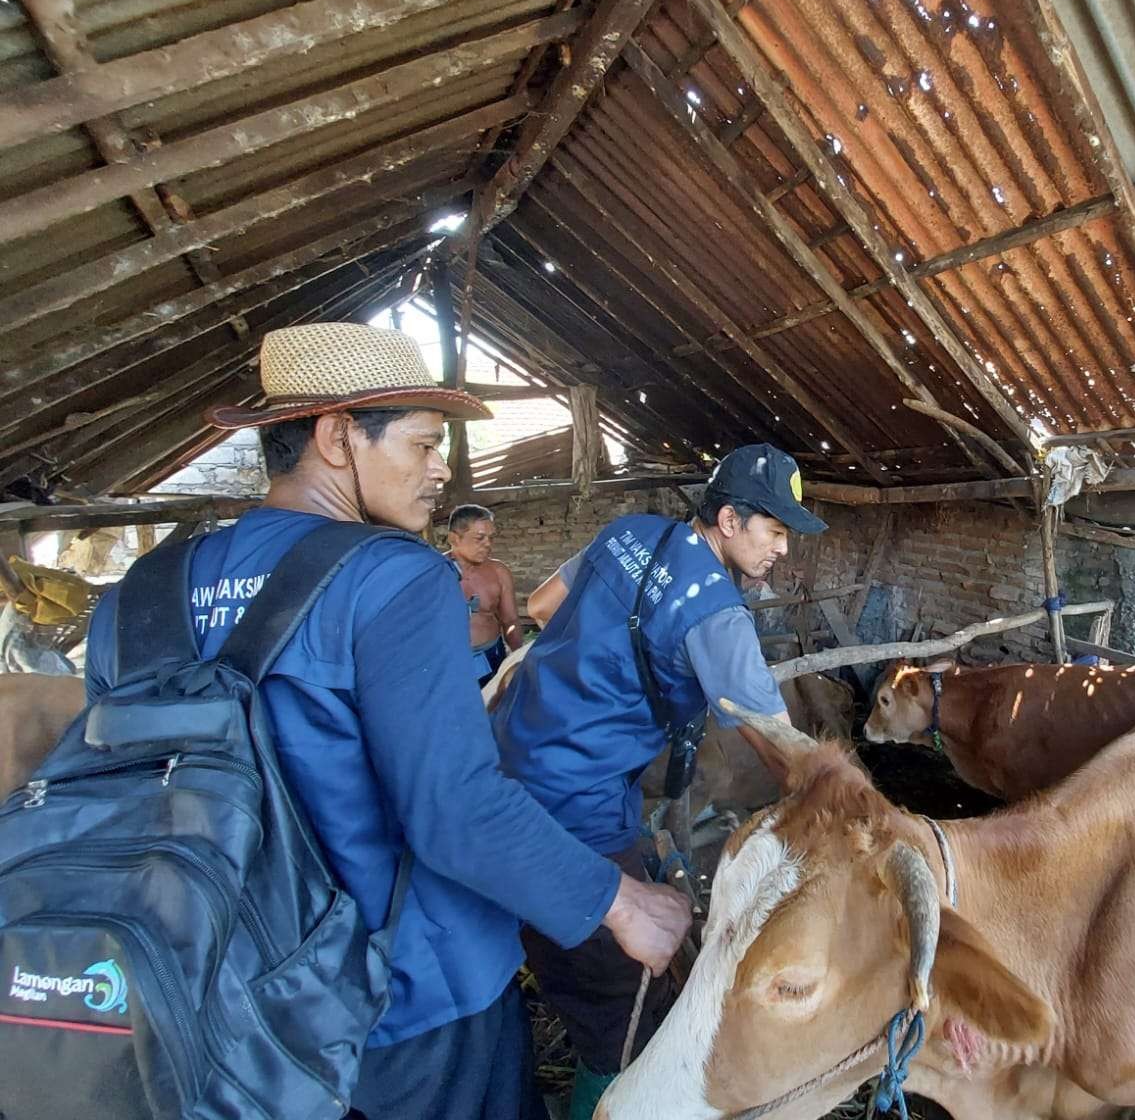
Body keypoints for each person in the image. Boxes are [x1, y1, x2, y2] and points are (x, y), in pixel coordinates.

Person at [83, 324, 691, 1120]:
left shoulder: (136, 595)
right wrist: (621, 901)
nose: (442, 469)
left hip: (208, 999)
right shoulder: (393, 578)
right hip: (405, 1005)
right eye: (425, 443)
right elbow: (454, 808)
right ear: (337, 436)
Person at [494, 443, 825, 1119]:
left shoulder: (631, 532)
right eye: (776, 531)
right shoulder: (717, 615)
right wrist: (839, 812)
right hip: (576, 804)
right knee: (622, 1003)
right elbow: (780, 746)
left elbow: (542, 604)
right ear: (730, 520)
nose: (783, 551)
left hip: (501, 753)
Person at [444, 503, 522, 685]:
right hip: (448, 661)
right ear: (454, 538)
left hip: (491, 655)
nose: (488, 544)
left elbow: (510, 621)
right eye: (480, 538)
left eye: (490, 538)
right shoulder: (434, 573)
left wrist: (519, 657)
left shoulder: (499, 572)